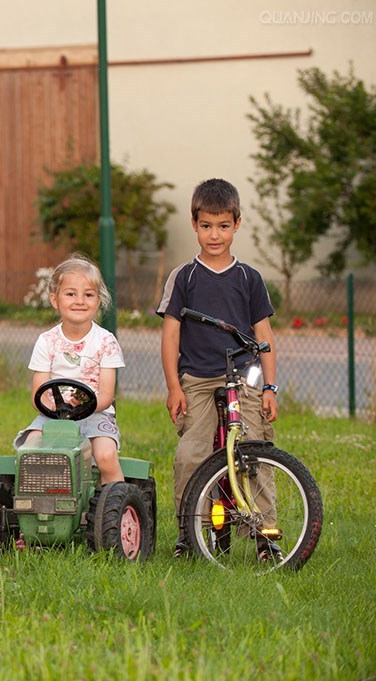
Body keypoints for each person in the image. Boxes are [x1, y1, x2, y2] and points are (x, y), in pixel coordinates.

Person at [157, 178, 278, 560]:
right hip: (197, 376)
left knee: (253, 452)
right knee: (190, 455)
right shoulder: (184, 277)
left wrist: (270, 387)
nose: (215, 234)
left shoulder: (249, 278)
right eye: (206, 225)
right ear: (194, 224)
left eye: (223, 226)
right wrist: (174, 386)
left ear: (237, 224)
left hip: (244, 376)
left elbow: (265, 337)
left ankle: (266, 535)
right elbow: (170, 335)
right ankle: (190, 534)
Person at [14, 256, 125, 484]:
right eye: (71, 294)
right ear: (55, 300)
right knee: (31, 450)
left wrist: (85, 404)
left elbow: (106, 395)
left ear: (98, 300)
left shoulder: (106, 341)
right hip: (53, 415)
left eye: (89, 294)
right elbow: (39, 392)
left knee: (105, 455)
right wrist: (52, 406)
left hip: (96, 414)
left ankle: (116, 508)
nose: (80, 301)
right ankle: (33, 505)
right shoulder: (47, 341)